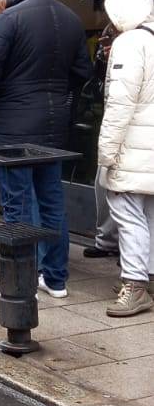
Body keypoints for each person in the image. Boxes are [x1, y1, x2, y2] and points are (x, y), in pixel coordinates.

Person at [0, 0, 91, 298]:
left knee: (17, 203)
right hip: (53, 126)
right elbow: (81, 72)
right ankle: (55, 279)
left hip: (14, 126)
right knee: (53, 201)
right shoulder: (69, 18)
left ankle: (20, 279)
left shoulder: (9, 19)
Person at [96, 0, 154, 318]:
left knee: (127, 211)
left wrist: (106, 154)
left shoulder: (130, 43)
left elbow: (119, 104)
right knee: (147, 213)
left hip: (133, 145)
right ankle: (146, 278)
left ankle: (134, 285)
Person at [84, 22, 121, 261]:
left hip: (130, 127)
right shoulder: (110, 36)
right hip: (110, 121)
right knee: (103, 181)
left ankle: (135, 255)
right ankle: (107, 240)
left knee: (132, 195)